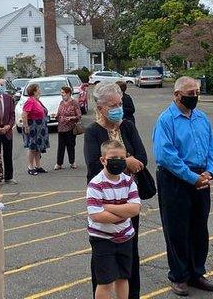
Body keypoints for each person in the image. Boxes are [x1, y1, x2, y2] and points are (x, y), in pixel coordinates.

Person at [152, 76, 213, 296]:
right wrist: (191, 177)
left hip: (201, 177)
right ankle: (179, 276)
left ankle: (197, 273)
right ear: (177, 95)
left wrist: (209, 170)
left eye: (197, 92)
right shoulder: (166, 120)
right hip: (175, 179)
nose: (195, 97)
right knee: (177, 229)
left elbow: (212, 146)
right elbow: (166, 155)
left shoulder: (201, 118)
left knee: (200, 227)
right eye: (190, 93)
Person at [84, 82, 147, 299]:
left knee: (129, 254)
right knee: (102, 260)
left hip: (128, 196)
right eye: (113, 105)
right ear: (101, 108)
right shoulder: (93, 131)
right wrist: (128, 161)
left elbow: (142, 160)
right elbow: (93, 166)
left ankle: (132, 295)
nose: (118, 108)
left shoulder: (127, 126)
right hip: (104, 201)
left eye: (119, 103)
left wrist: (127, 160)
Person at [87, 140, 141, 299]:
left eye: (122, 158)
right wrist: (124, 211)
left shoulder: (128, 181)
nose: (118, 161)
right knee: (105, 281)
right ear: (103, 160)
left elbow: (135, 209)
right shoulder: (96, 185)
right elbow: (97, 215)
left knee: (123, 277)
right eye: (113, 157)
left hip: (125, 238)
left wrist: (107, 206)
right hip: (103, 240)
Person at [22, 83, 50, 175]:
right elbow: (24, 114)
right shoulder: (30, 101)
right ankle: (30, 166)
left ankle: (38, 166)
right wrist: (26, 126)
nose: (40, 90)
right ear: (34, 91)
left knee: (38, 147)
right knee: (32, 147)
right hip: (33, 127)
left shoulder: (37, 100)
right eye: (38, 88)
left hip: (40, 127)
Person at [54, 86, 82, 170]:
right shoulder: (61, 102)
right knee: (60, 146)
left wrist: (71, 118)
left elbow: (79, 115)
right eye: (61, 93)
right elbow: (59, 114)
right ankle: (59, 164)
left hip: (71, 127)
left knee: (70, 145)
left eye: (63, 92)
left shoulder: (74, 103)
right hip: (61, 127)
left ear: (68, 93)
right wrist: (55, 116)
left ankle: (72, 162)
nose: (61, 94)